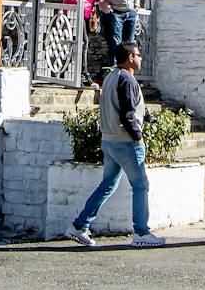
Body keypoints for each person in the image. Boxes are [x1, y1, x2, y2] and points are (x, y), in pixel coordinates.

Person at [65, 43, 165, 249]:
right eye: (138, 55)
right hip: (125, 142)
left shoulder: (111, 77)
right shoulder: (127, 80)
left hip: (109, 140)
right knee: (140, 185)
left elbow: (128, 106)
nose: (141, 59)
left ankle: (79, 226)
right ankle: (141, 232)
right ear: (130, 57)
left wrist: (147, 116)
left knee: (108, 184)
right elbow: (127, 113)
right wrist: (137, 136)